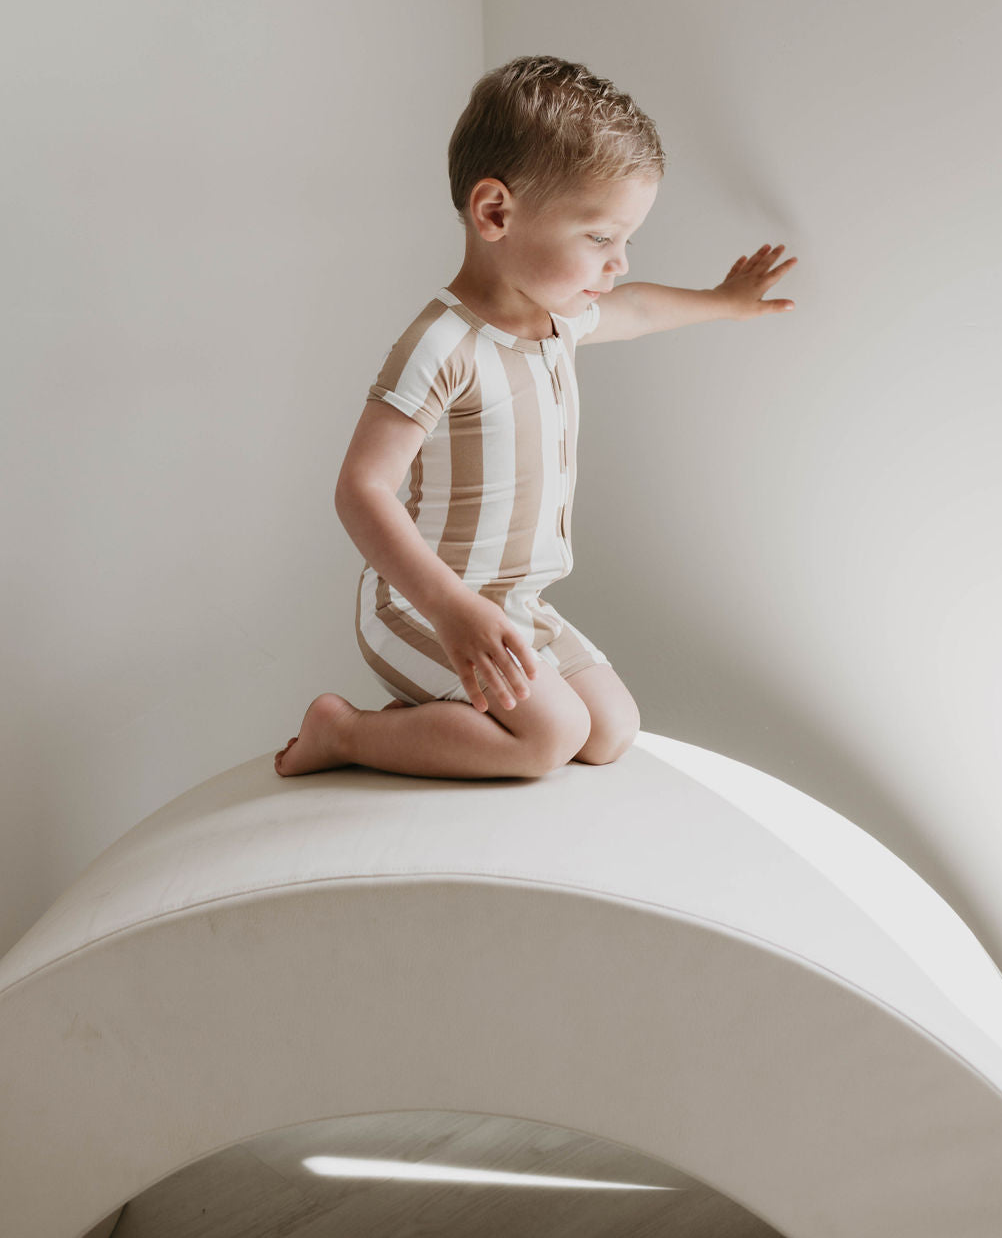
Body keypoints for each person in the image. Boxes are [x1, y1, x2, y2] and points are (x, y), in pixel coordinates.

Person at [275, 55, 797, 781]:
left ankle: (435, 724)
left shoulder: (563, 319)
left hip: (516, 601)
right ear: (495, 213)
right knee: (547, 739)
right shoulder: (441, 343)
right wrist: (451, 608)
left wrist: (725, 299)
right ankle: (346, 732)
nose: (615, 264)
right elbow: (360, 489)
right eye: (598, 238)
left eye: (626, 242)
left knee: (610, 729)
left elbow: (639, 307)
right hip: (420, 602)